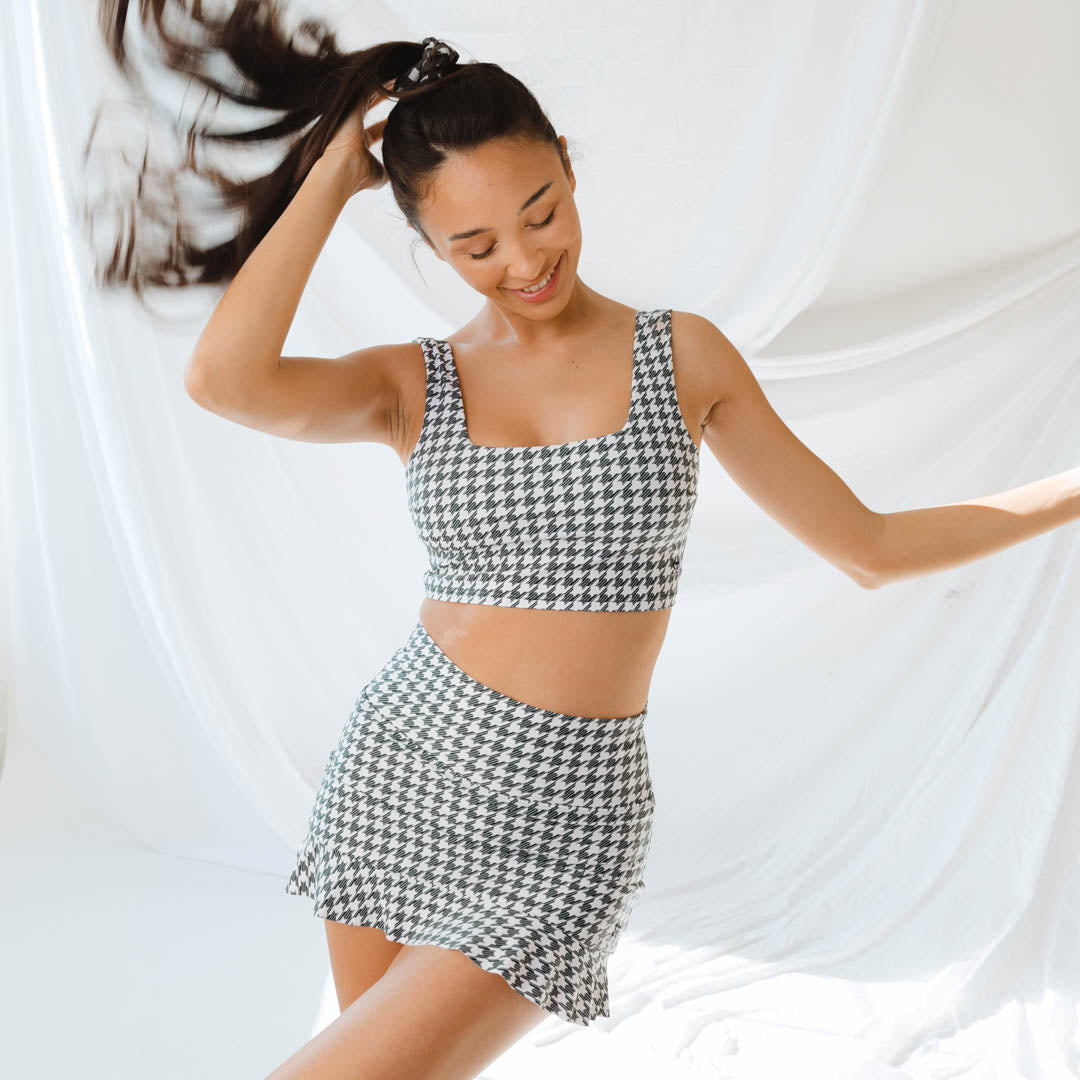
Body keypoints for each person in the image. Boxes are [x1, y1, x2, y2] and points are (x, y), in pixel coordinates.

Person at [89, 7, 1080, 1079]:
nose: (524, 260)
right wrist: (332, 179)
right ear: (427, 243)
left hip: (568, 820)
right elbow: (224, 381)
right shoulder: (414, 383)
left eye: (541, 213)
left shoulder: (682, 358)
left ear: (567, 165)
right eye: (475, 246)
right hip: (403, 771)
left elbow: (871, 546)